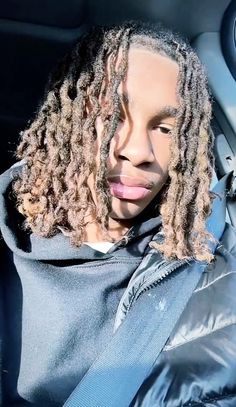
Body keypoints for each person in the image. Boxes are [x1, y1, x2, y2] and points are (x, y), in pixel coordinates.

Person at [0, 21, 236, 407]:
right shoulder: (7, 236)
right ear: (70, 116)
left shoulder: (218, 286)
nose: (138, 151)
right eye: (113, 116)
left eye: (164, 128)